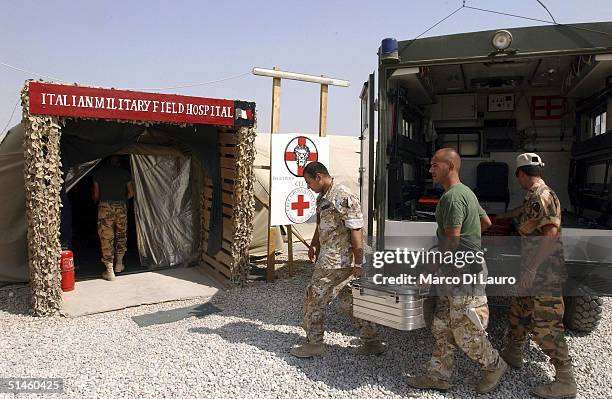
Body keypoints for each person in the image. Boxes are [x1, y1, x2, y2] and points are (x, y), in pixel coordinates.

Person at [407, 148, 507, 394]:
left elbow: (451, 241)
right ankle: (439, 375)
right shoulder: (467, 193)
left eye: (435, 165)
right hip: (454, 271)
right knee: (442, 325)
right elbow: (486, 223)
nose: (430, 170)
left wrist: (430, 271)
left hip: (464, 274)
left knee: (465, 329)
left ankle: (494, 365)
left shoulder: (452, 198)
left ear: (450, 166)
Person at [496, 153, 576, 399]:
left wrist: (531, 269)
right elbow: (525, 213)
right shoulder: (533, 195)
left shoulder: (542, 195)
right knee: (520, 311)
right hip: (532, 267)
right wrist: (502, 217)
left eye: (518, 176)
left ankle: (565, 381)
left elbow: (550, 235)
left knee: (546, 325)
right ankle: (513, 352)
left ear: (520, 174)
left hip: (544, 272)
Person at [290, 161, 385, 358]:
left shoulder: (342, 196)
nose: (308, 187)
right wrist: (315, 244)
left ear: (319, 177)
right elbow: (322, 224)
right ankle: (372, 341)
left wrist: (359, 263)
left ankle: (314, 343)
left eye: (309, 182)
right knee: (350, 301)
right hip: (333, 258)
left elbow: (356, 231)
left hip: (336, 261)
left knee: (314, 298)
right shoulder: (324, 197)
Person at [92, 155, 134, 281]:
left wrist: (99, 201)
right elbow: (131, 193)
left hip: (105, 207)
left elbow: (95, 195)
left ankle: (109, 271)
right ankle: (119, 264)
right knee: (121, 234)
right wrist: (121, 200)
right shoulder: (124, 173)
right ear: (119, 162)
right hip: (121, 207)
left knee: (106, 237)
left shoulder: (98, 174)